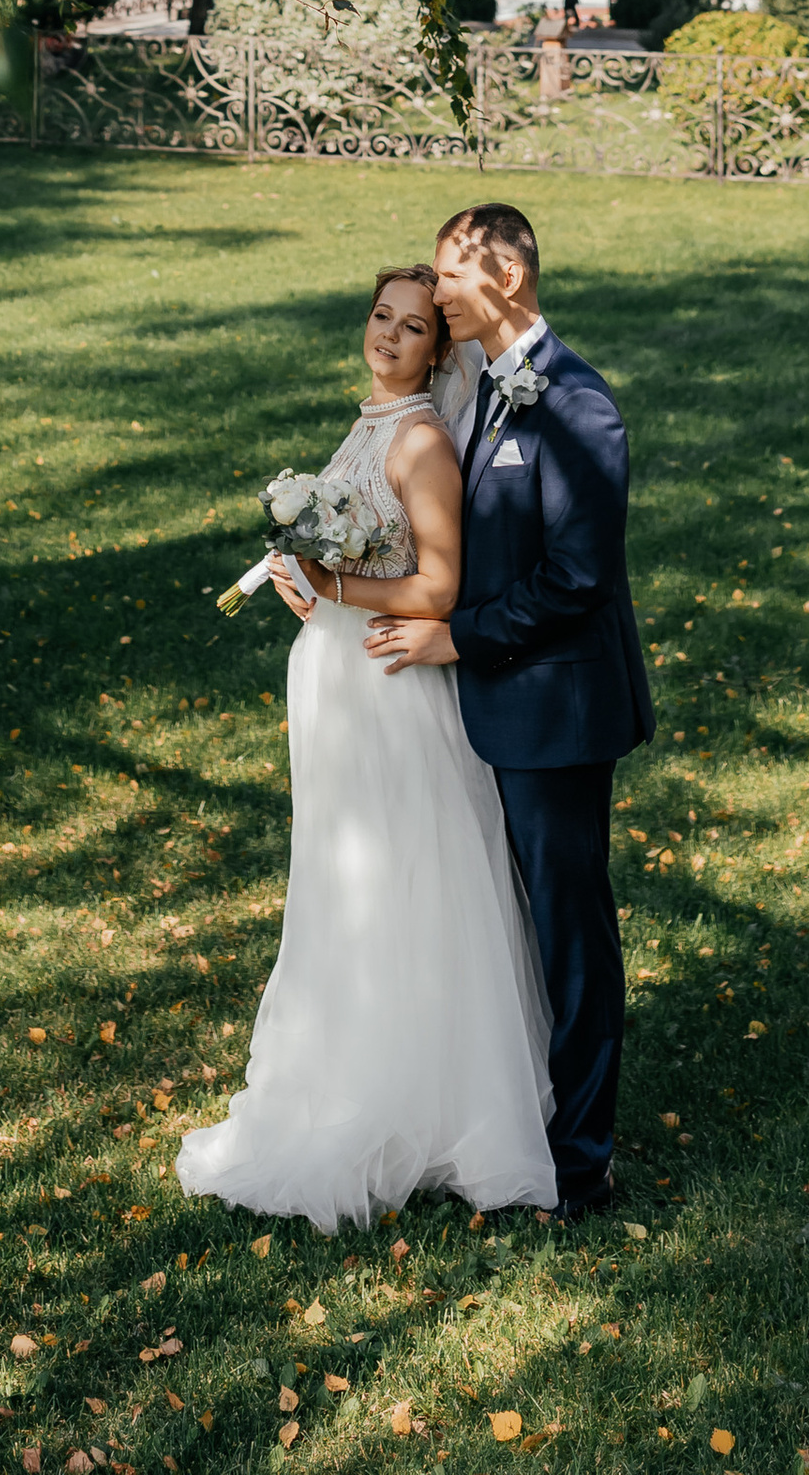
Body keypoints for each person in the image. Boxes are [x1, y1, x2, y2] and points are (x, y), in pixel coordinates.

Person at [178, 264, 556, 1231]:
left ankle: (424, 1102)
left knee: (404, 880)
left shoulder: (423, 439)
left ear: (441, 349)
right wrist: (307, 570)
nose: (388, 335)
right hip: (338, 681)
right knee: (343, 885)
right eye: (381, 317)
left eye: (413, 326)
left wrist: (334, 589)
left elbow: (438, 586)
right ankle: (343, 1067)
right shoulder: (371, 420)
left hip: (388, 686)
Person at [365, 202, 652, 1221]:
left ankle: (581, 1164)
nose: (436, 295)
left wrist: (457, 636)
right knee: (503, 926)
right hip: (484, 706)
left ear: (509, 282)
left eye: (450, 277)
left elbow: (578, 577)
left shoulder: (578, 406)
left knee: (568, 934)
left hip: (555, 709)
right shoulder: (476, 386)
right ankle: (510, 1117)